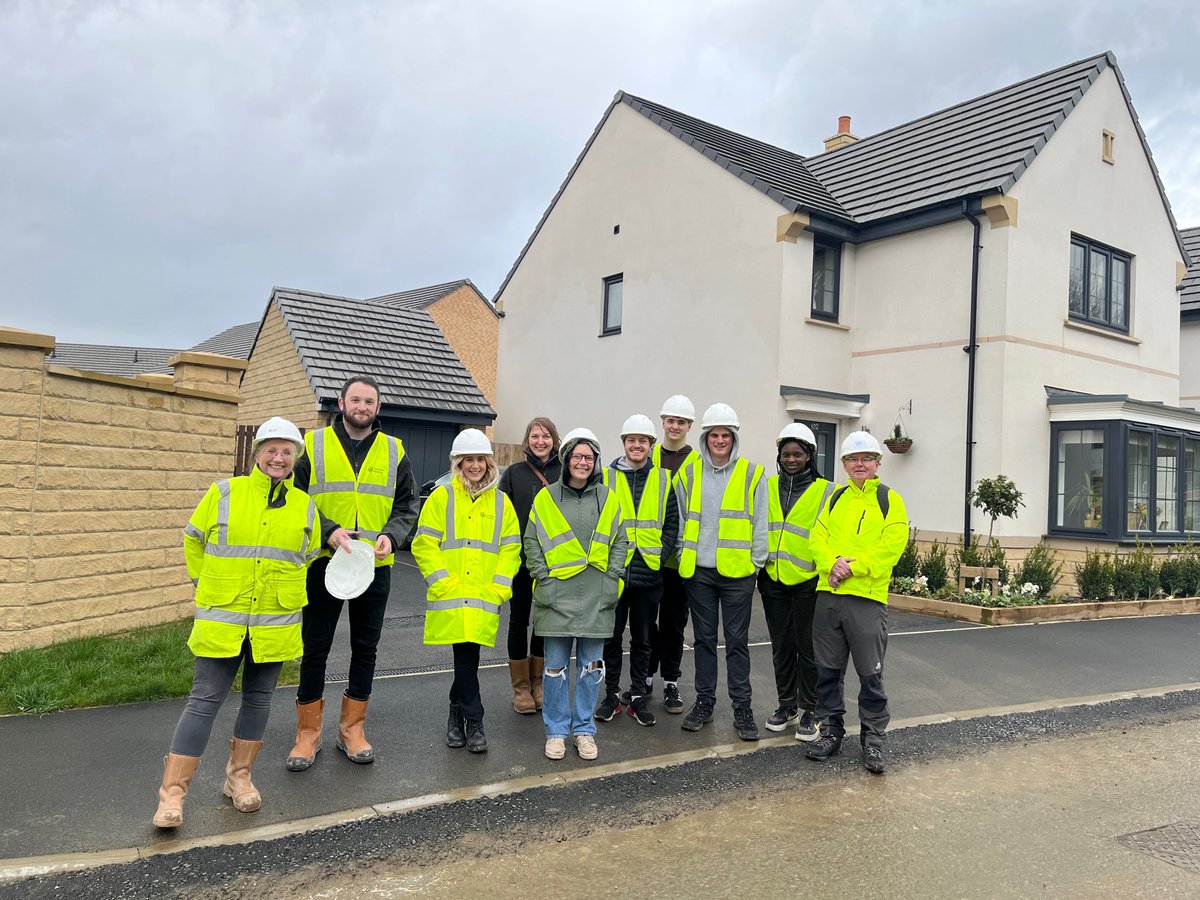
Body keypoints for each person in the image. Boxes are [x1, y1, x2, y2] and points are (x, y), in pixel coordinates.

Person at [153, 417, 320, 829]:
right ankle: (172, 796)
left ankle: (238, 779)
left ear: (295, 459)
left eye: (287, 452)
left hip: (273, 622)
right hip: (223, 618)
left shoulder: (306, 506)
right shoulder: (223, 493)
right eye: (271, 450)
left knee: (259, 699)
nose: (278, 458)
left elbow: (309, 556)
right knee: (204, 700)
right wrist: (204, 582)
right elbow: (193, 538)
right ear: (257, 453)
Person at [286, 375, 418, 771]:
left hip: (374, 565)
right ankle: (307, 736)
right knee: (316, 648)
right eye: (356, 400)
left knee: (366, 648)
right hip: (325, 561)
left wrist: (392, 537)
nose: (362, 407)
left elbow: (407, 505)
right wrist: (327, 531)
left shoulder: (394, 450)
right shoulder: (312, 444)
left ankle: (351, 730)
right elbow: (296, 498)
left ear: (378, 408)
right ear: (341, 403)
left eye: (370, 401)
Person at [412, 429, 521, 753]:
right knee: (465, 660)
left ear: (489, 463)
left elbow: (510, 548)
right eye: (468, 460)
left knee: (467, 661)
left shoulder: (501, 503)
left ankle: (455, 715)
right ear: (458, 464)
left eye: (480, 460)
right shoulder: (441, 497)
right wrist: (443, 582)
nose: (475, 466)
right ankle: (474, 720)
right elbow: (424, 543)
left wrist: (499, 588)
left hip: (484, 596)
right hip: (452, 595)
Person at [806, 430, 909, 774]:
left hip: (866, 598)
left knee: (870, 675)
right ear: (845, 465)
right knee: (827, 672)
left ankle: (874, 738)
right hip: (829, 597)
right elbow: (815, 538)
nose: (859, 464)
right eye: (852, 459)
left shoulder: (888, 499)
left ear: (878, 463)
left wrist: (851, 568)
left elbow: (892, 545)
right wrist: (831, 562)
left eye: (866, 458)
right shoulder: (835, 498)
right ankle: (831, 731)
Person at [524, 428, 628, 761]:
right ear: (567, 459)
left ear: (596, 462)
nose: (583, 462)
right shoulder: (546, 497)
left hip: (597, 596)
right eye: (577, 456)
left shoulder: (608, 498)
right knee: (554, 669)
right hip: (555, 597)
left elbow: (621, 542)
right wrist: (543, 577)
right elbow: (532, 543)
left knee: (591, 668)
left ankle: (584, 731)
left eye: (589, 457)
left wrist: (612, 579)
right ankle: (556, 732)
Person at [675, 403, 767, 742]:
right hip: (699, 572)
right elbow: (683, 518)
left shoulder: (753, 474)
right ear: (705, 438)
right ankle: (705, 702)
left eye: (725, 435)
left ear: (734, 438)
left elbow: (761, 523)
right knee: (703, 641)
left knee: (737, 642)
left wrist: (755, 564)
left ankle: (742, 707)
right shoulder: (689, 473)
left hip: (738, 575)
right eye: (714, 434)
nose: (719, 440)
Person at [595, 415, 680, 727]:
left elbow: (672, 525)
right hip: (614, 572)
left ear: (651, 445)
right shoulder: (605, 477)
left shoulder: (663, 480)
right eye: (631, 440)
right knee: (611, 638)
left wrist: (660, 556)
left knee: (644, 640)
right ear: (623, 443)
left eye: (642, 441)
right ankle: (611, 696)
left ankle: (638, 697)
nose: (636, 445)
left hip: (648, 573)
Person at [758, 423, 835, 740]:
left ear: (809, 456)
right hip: (773, 578)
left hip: (808, 581)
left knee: (808, 648)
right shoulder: (767, 486)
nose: (791, 459)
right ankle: (787, 705)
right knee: (782, 646)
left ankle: (812, 709)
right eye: (786, 454)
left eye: (798, 454)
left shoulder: (827, 490)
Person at [496, 416, 561, 714]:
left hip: (554, 560)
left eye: (546, 436)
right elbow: (504, 518)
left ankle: (538, 683)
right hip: (521, 561)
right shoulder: (514, 473)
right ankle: (520, 688)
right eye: (535, 436)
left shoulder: (564, 470)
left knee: (544, 622)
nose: (540, 441)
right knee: (518, 621)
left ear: (554, 439)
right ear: (527, 440)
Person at [645, 394, 700, 714]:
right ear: (662, 422)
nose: (675, 426)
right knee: (645, 623)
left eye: (681, 422)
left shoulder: (698, 462)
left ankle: (671, 682)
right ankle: (646, 678)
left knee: (674, 623)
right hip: (651, 555)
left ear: (689, 426)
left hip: (682, 558)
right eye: (670, 421)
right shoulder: (648, 456)